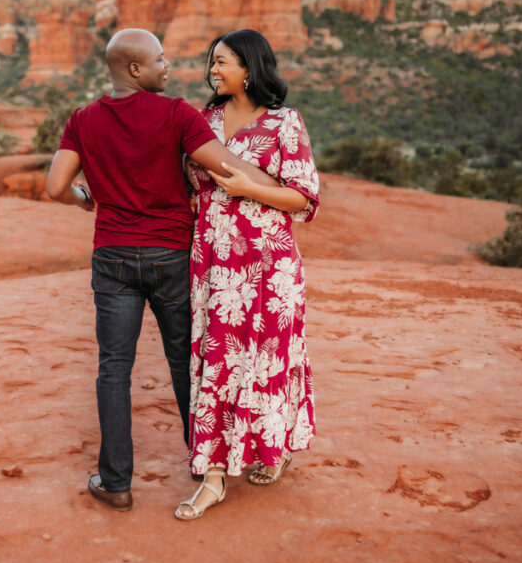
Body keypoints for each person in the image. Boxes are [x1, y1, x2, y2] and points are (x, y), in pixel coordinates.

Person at [46, 29, 280, 512]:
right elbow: (227, 166)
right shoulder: (177, 113)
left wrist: (84, 197)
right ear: (136, 69)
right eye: (159, 58)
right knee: (183, 361)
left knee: (114, 368)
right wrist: (280, 186)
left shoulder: (83, 119)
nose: (168, 64)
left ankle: (116, 483)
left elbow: (54, 186)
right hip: (171, 255)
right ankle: (202, 463)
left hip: (112, 256)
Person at [175, 29, 320, 521]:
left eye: (222, 62)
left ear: (250, 66)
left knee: (267, 360)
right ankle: (213, 478)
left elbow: (303, 198)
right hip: (213, 264)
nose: (212, 71)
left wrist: (247, 188)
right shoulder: (202, 121)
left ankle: (270, 448)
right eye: (211, 63)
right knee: (215, 361)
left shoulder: (284, 123)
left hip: (267, 266)